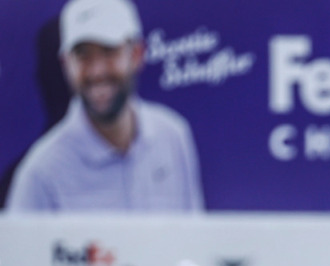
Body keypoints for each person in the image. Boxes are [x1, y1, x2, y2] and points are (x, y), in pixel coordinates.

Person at [6, 0, 204, 212]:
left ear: (136, 55)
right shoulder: (40, 173)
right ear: (66, 65)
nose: (97, 71)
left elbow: (191, 239)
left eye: (109, 51)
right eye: (83, 56)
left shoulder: (173, 136)